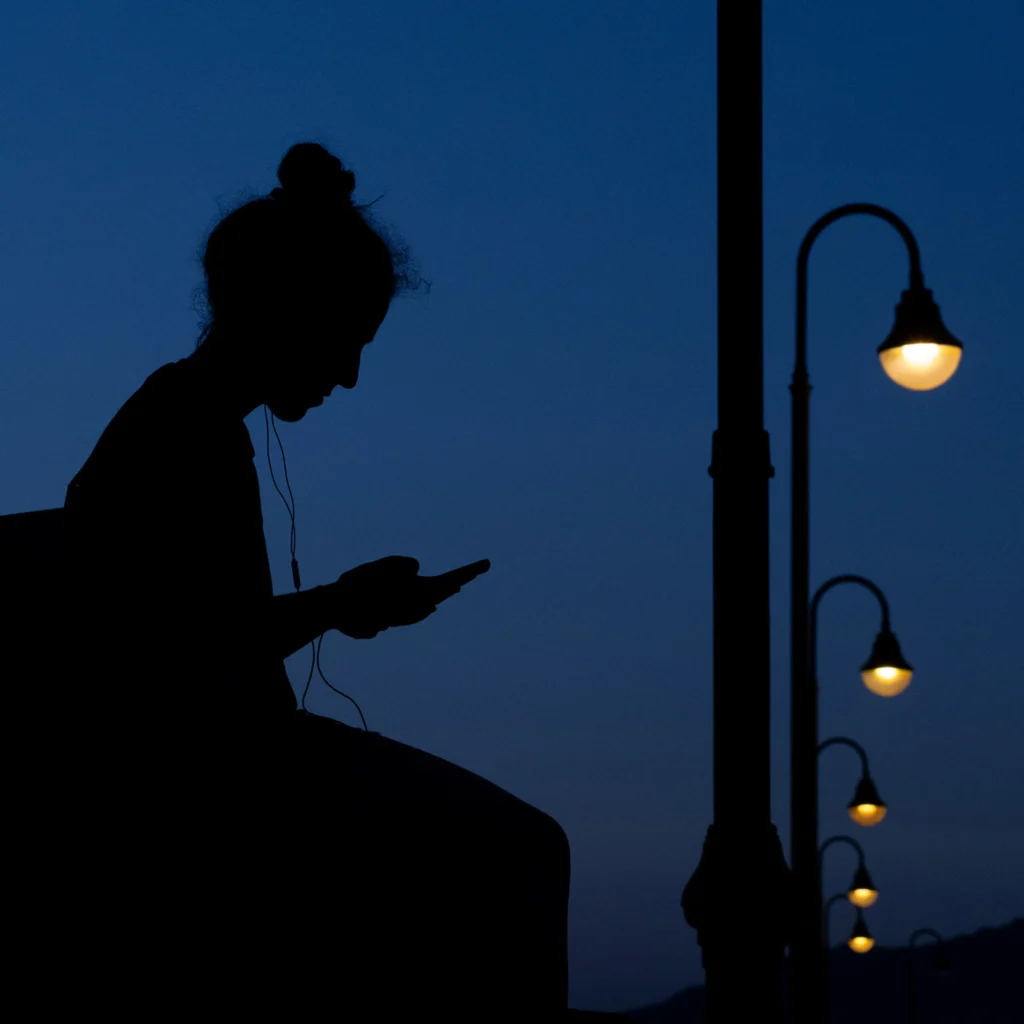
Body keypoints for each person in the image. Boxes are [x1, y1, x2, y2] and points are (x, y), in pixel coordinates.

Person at [59, 142, 570, 1018]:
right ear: (286, 310)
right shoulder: (186, 432)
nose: (349, 374)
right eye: (345, 340)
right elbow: (178, 647)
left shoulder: (178, 418)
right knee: (522, 848)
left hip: (198, 771)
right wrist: (341, 605)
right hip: (201, 782)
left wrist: (341, 605)